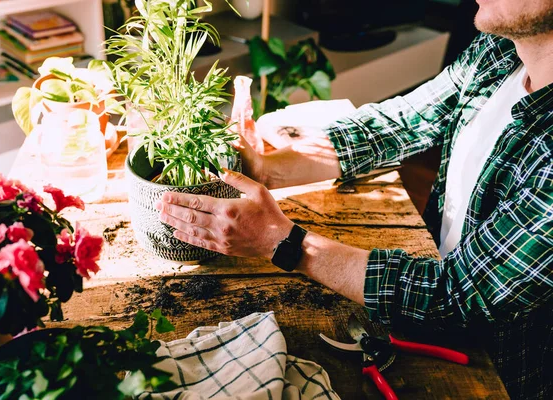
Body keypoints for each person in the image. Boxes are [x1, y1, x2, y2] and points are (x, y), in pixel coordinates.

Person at [155, 0, 553, 398]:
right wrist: (268, 168)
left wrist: (284, 243)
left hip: (493, 367)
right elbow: (399, 124)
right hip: (419, 295)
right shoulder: (500, 51)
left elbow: (458, 296)